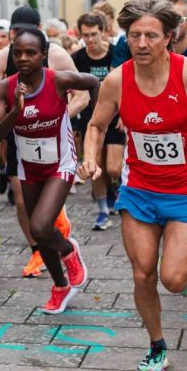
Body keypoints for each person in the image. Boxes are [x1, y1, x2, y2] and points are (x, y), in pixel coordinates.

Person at [79, 0, 187, 371]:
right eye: (134, 35)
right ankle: (157, 346)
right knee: (142, 274)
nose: (142, 44)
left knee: (173, 279)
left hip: (186, 190)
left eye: (151, 35)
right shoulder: (118, 79)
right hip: (138, 190)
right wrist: (91, 157)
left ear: (169, 36)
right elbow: (97, 125)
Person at [0, 29, 98, 313]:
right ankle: (61, 286)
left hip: (60, 163)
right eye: (18, 53)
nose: (24, 58)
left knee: (39, 225)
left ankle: (68, 250)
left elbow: (94, 82)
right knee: (40, 233)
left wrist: (101, 123)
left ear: (43, 55)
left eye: (31, 52)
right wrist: (15, 111)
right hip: (29, 167)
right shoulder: (4, 87)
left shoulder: (59, 79)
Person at [71, 13, 122, 231]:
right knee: (95, 165)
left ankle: (116, 189)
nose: (90, 40)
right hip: (92, 117)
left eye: (94, 34)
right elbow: (71, 89)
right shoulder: (77, 58)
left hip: (117, 116)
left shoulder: (115, 53)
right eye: (86, 36)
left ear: (103, 32)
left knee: (113, 168)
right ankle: (102, 211)